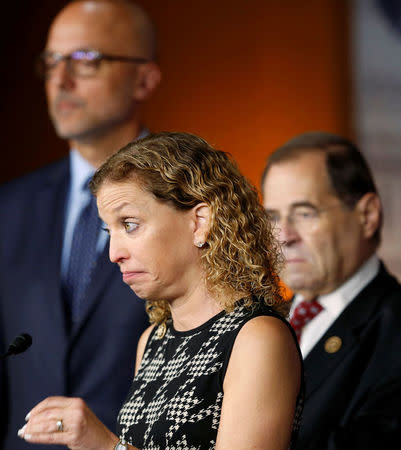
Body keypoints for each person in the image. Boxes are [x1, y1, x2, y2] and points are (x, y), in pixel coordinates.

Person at [17, 131, 303, 449]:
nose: (114, 253)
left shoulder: (257, 338)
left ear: (200, 222)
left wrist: (107, 446)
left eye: (129, 224)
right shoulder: (152, 340)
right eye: (108, 229)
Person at [0, 1, 161, 449]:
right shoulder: (8, 209)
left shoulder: (191, 204)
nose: (60, 80)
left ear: (144, 79)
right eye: (52, 61)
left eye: (86, 61)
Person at [261, 131, 401, 449]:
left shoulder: (393, 332)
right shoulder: (257, 322)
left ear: (367, 215)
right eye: (273, 217)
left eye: (305, 213)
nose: (284, 236)